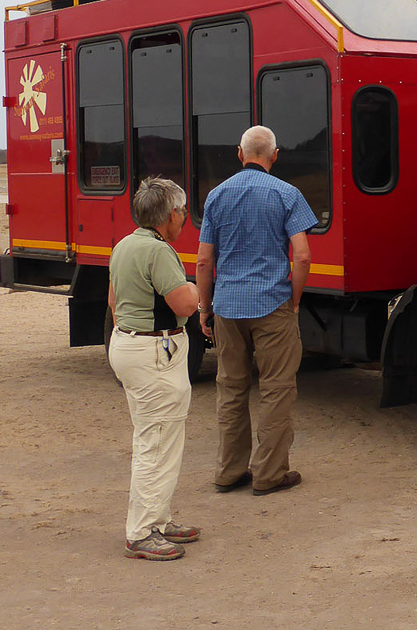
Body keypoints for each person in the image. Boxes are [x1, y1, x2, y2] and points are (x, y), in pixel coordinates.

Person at [196, 126, 317, 496]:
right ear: (275, 156)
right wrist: (294, 299)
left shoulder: (216, 196)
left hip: (228, 307)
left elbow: (203, 261)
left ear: (239, 154)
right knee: (276, 390)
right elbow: (302, 255)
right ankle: (270, 474)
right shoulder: (287, 194)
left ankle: (229, 471)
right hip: (272, 305)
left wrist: (205, 308)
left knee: (231, 390)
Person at [107, 177, 200, 560]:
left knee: (157, 437)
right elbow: (184, 305)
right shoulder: (159, 252)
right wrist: (194, 288)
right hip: (154, 350)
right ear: (171, 213)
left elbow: (114, 300)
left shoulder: (124, 245)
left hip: (129, 343)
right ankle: (142, 531)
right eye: (182, 212)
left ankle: (158, 520)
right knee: (157, 442)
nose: (184, 219)